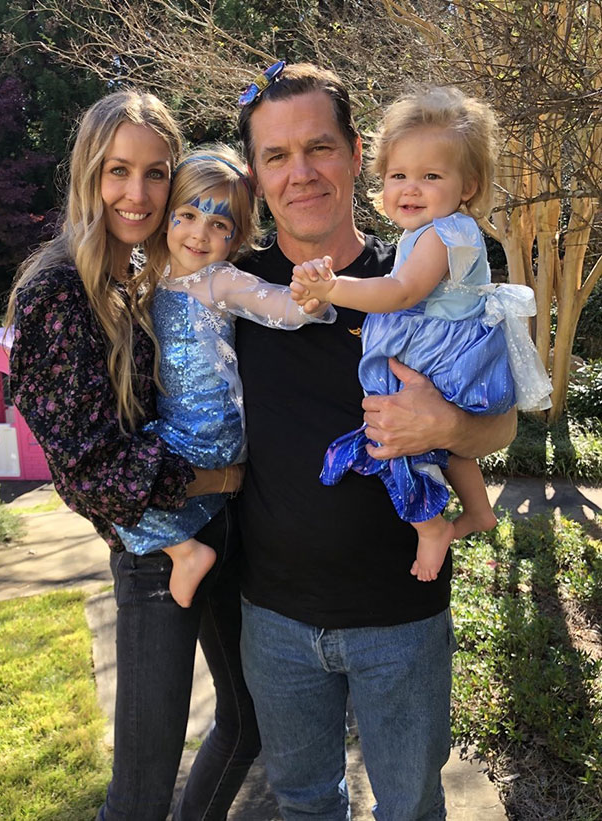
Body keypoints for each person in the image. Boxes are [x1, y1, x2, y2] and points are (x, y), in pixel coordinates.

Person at [234, 63, 517, 820]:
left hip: (403, 617)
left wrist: (447, 425)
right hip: (274, 618)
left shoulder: (420, 277)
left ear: (357, 154)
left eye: (319, 147)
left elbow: (502, 423)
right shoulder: (234, 292)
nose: (301, 173)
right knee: (302, 803)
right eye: (275, 156)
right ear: (257, 176)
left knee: (412, 807)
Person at [6, 90, 260, 821]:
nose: (138, 193)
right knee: (140, 789)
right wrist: (221, 475)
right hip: (155, 550)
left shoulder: (150, 276)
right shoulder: (58, 291)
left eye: (156, 173)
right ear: (89, 173)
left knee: (248, 721)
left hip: (218, 525)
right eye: (118, 171)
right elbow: (85, 467)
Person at [290, 86, 552, 582]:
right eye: (399, 176)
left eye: (431, 176)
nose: (411, 188)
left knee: (397, 433)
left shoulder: (444, 232)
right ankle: (476, 510)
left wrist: (332, 288)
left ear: (468, 185)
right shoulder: (426, 232)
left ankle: (429, 526)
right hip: (448, 352)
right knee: (440, 445)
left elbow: (402, 292)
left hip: (439, 355)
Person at [113, 144, 334, 608]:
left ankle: (186, 552)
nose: (199, 234)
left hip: (212, 428)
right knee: (114, 481)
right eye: (188, 215)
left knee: (126, 482)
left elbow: (276, 304)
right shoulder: (152, 282)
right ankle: (185, 544)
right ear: (168, 217)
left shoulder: (219, 280)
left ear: (234, 238)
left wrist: (309, 300)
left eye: (218, 225)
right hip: (180, 426)